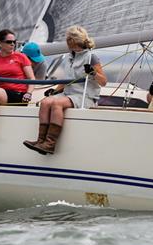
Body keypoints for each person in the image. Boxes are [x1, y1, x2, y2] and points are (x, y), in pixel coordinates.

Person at [23, 26, 107, 155]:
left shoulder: (91, 57)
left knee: (57, 104)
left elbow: (103, 82)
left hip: (84, 96)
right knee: (46, 102)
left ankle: (50, 144)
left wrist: (93, 72)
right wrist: (54, 91)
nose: (68, 44)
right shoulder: (69, 57)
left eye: (69, 41)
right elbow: (67, 79)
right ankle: (41, 140)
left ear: (73, 42)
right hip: (68, 94)